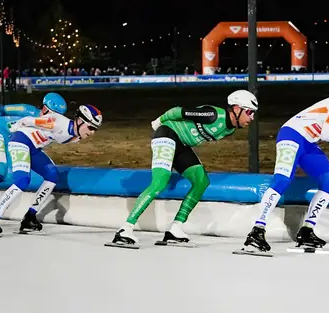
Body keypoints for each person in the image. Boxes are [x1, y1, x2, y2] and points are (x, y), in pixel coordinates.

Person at [239, 78, 329, 255]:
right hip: (292, 134)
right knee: (282, 180)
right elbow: (326, 134)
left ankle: (307, 230)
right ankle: (257, 231)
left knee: (328, 182)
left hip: (309, 142)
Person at [109, 89, 258, 249]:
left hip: (181, 145)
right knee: (160, 181)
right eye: (249, 112)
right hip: (167, 134)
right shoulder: (213, 115)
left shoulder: (230, 129)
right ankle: (125, 229)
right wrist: (158, 122)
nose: (252, 118)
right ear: (236, 108)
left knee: (201, 181)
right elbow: (178, 112)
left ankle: (175, 228)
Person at [0, 103, 102, 237]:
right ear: (80, 121)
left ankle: (30, 217)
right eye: (90, 127)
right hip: (20, 142)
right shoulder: (57, 122)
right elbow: (26, 121)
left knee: (52, 175)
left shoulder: (75, 136)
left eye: (95, 129)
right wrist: (14, 129)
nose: (92, 132)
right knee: (22, 181)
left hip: (33, 148)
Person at [0, 92, 67, 225]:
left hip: (13, 140)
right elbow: (0, 109)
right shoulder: (27, 110)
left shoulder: (49, 126)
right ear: (44, 109)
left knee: (10, 176)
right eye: (53, 115)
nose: (55, 119)